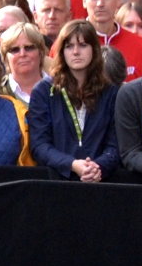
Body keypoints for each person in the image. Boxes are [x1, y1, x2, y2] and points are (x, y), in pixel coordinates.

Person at [27, 19, 121, 182]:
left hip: (101, 183)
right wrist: (71, 164)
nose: (76, 52)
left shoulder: (110, 92)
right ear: (61, 51)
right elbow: (39, 145)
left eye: (83, 45)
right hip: (56, 183)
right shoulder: (44, 91)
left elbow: (115, 145)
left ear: (94, 49)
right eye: (69, 46)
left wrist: (97, 167)